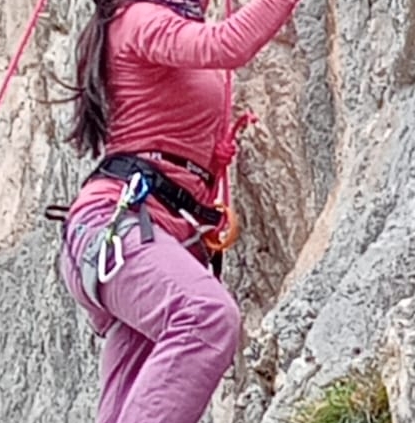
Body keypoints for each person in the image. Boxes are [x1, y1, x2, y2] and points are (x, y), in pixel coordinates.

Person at [52, 0, 301, 422]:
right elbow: (229, 43)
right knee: (204, 316)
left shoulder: (165, 24)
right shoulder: (138, 19)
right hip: (122, 225)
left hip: (144, 233)